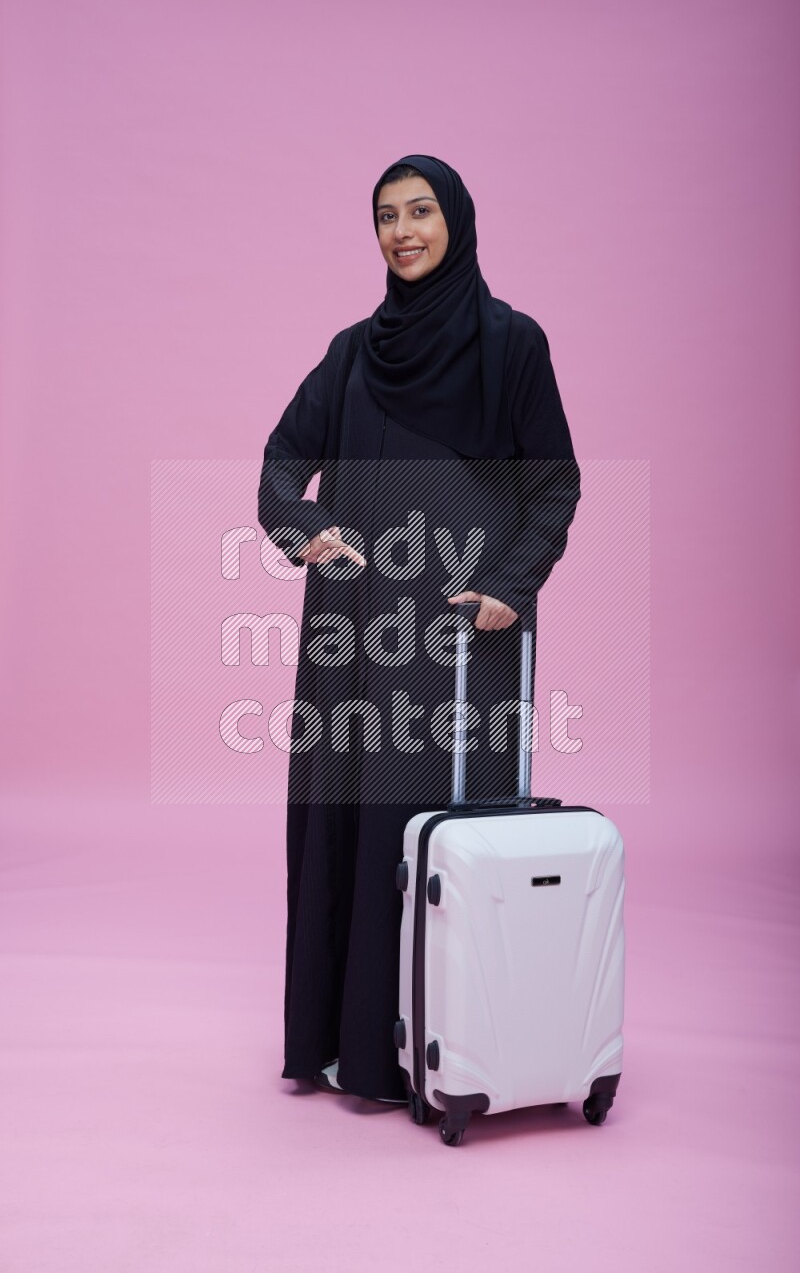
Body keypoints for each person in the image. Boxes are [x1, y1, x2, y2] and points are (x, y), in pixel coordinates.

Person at [257, 154, 581, 1104]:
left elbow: (554, 483)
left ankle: (454, 1046)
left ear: (459, 220)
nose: (403, 232)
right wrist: (307, 529)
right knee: (346, 826)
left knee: (429, 837)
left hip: (458, 644)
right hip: (351, 638)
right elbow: (282, 463)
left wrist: (509, 589)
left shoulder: (512, 346)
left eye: (421, 212)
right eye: (386, 217)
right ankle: (345, 1046)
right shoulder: (352, 352)